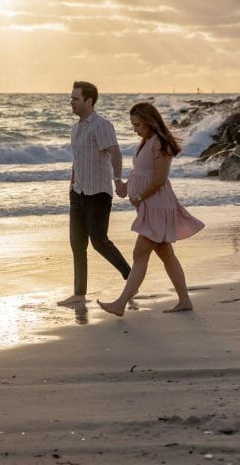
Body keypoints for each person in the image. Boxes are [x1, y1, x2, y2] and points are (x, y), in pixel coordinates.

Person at [98, 102, 204, 316]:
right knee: (166, 254)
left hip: (158, 205)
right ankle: (185, 300)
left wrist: (139, 196)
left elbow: (160, 178)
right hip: (150, 206)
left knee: (140, 254)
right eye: (132, 125)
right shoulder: (146, 141)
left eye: (137, 124)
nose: (134, 129)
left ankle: (120, 304)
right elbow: (141, 171)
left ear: (148, 121)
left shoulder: (160, 144)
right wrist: (128, 186)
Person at [57, 81, 132, 306]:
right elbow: (77, 159)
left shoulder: (102, 125)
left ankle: (131, 279)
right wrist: (72, 183)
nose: (71, 102)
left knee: (99, 241)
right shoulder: (76, 127)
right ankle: (79, 294)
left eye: (75, 99)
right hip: (78, 191)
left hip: (98, 193)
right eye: (71, 98)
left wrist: (118, 180)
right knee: (77, 243)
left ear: (89, 101)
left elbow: (115, 153)